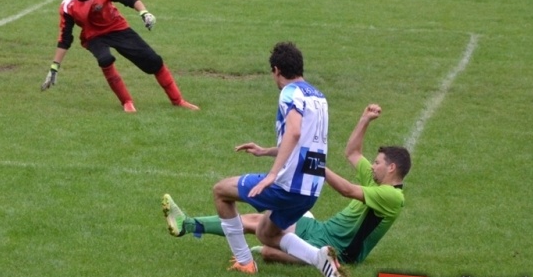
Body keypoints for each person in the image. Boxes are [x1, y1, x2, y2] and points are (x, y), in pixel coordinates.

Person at [162, 103, 411, 268]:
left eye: (377, 163)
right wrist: (364, 119)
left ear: (391, 168)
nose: (372, 166)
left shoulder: (393, 197)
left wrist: (317, 166)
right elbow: (353, 153)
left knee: (265, 242)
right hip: (321, 230)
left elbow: (346, 190)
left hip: (339, 250)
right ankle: (189, 225)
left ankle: (190, 226)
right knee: (259, 221)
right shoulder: (375, 181)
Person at [204, 41, 344, 277]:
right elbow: (305, 143)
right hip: (311, 188)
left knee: (221, 191)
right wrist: (265, 151)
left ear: (277, 70)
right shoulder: (319, 97)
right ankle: (319, 258)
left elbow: (295, 132)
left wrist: (271, 175)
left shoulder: (289, 93)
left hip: (287, 184)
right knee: (266, 233)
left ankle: (245, 263)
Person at [40, 0, 199, 113]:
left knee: (154, 61)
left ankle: (178, 100)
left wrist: (144, 13)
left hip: (117, 28)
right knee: (105, 59)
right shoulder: (68, 5)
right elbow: (65, 38)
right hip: (94, 36)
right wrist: (54, 66)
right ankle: (127, 102)